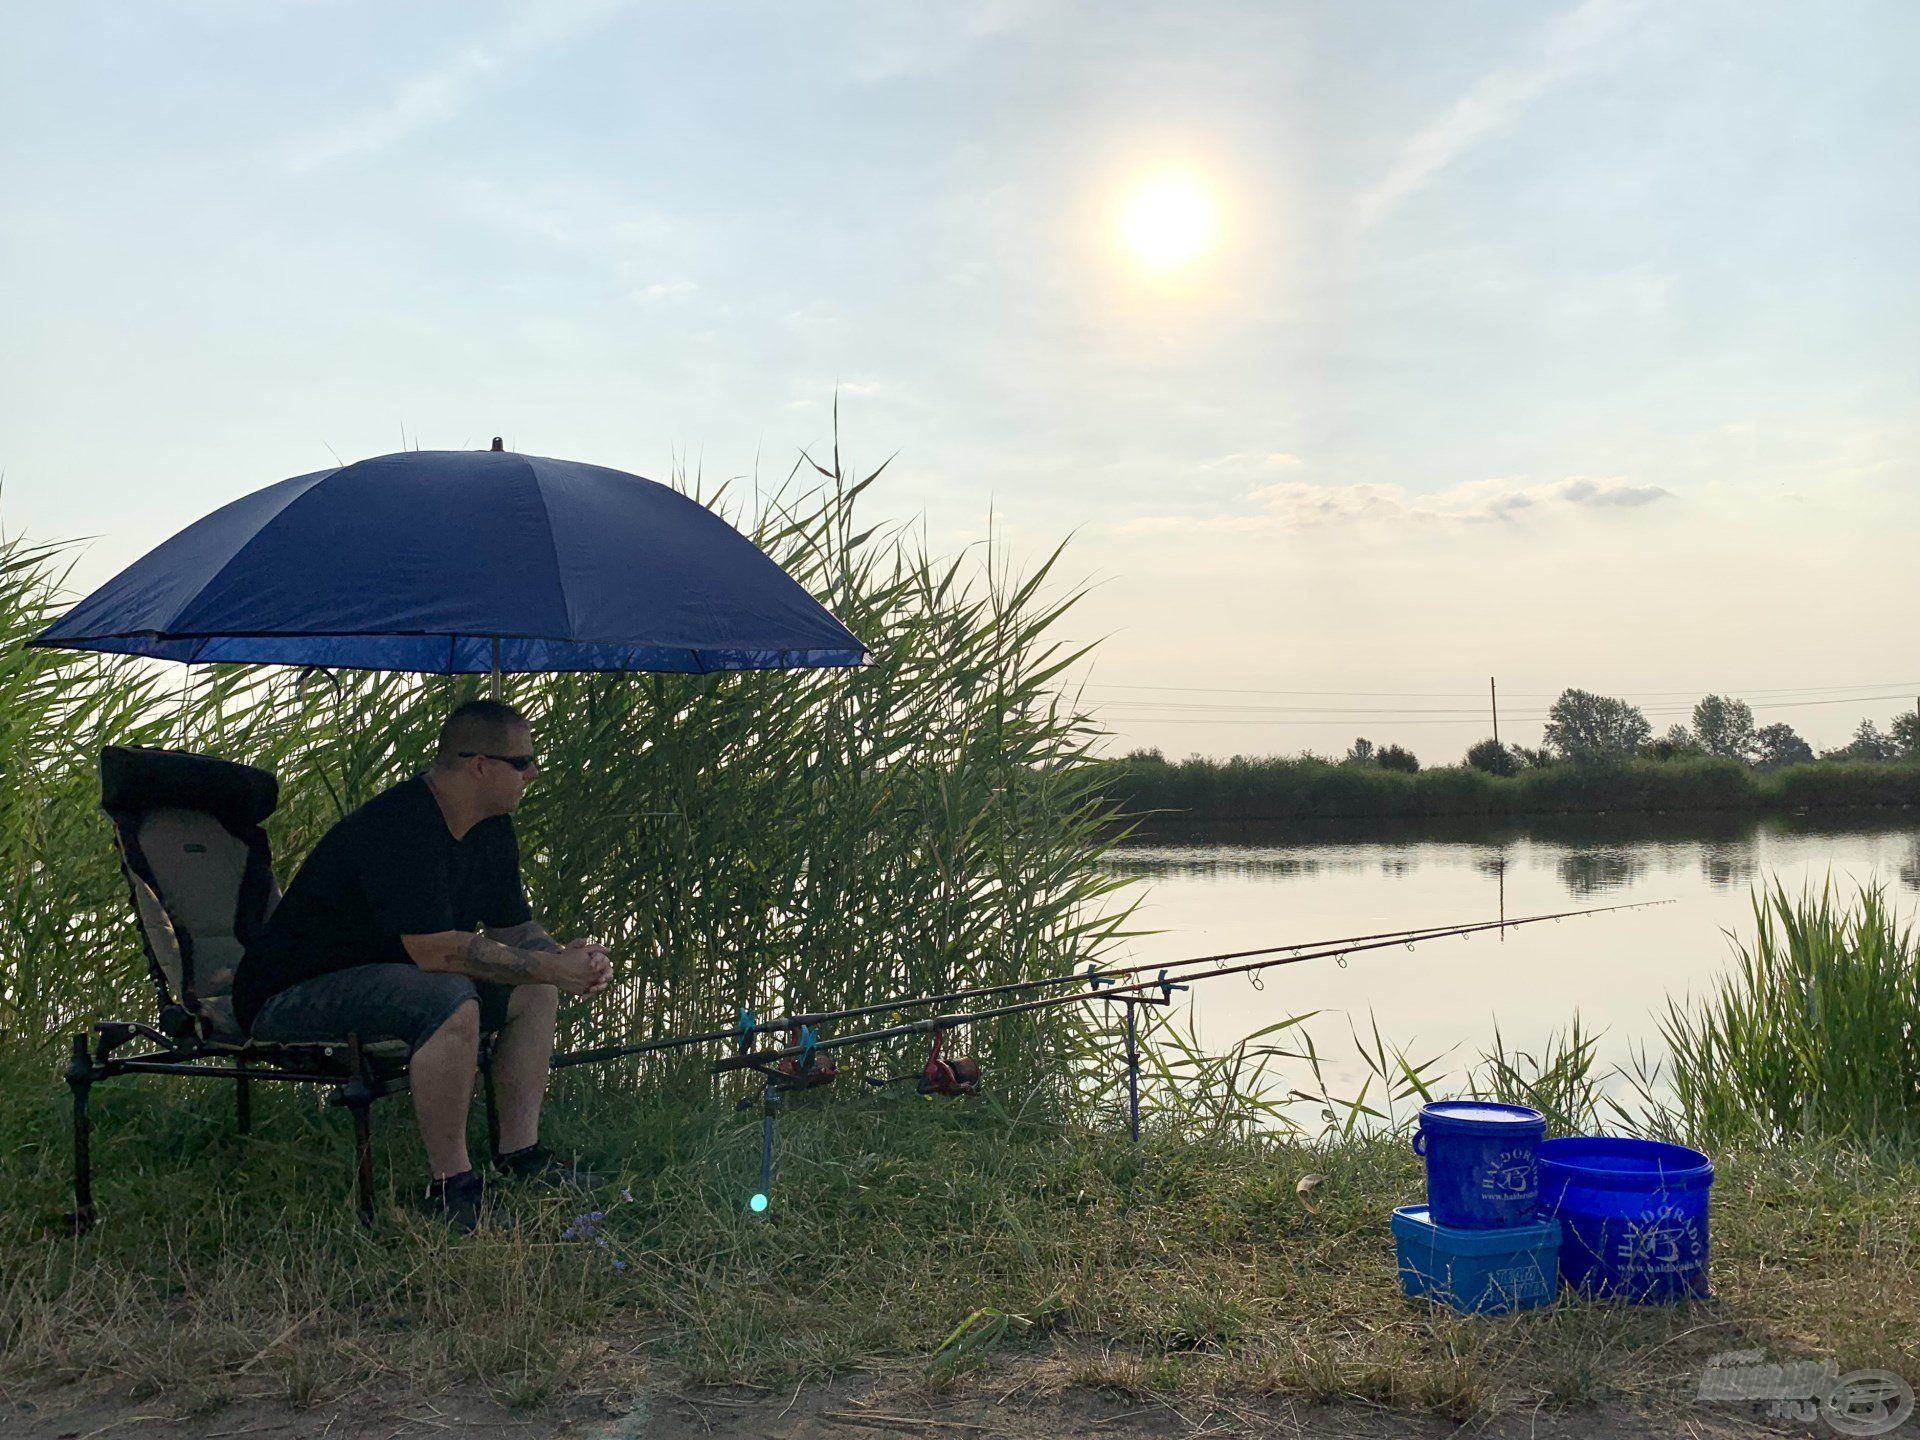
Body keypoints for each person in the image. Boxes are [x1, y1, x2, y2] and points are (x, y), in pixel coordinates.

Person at [231, 698, 613, 1229]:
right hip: (290, 994)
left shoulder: (492, 826)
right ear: (479, 764)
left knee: (533, 990)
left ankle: (522, 1155)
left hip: (388, 979)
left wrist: (564, 959)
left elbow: (513, 931)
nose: (534, 773)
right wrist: (549, 966)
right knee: (449, 996)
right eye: (523, 762)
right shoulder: (400, 824)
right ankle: (452, 1187)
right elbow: (437, 951)